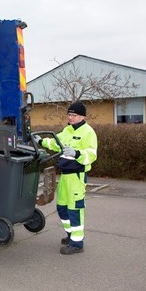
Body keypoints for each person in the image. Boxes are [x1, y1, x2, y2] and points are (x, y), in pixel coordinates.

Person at [34, 101, 97, 255]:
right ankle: (71, 236)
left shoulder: (88, 132)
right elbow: (56, 143)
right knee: (62, 208)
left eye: (73, 115)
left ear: (82, 116)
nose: (70, 117)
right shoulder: (67, 130)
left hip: (77, 177)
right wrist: (41, 141)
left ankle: (77, 244)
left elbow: (92, 154)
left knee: (75, 209)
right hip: (65, 177)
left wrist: (76, 154)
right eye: (69, 114)